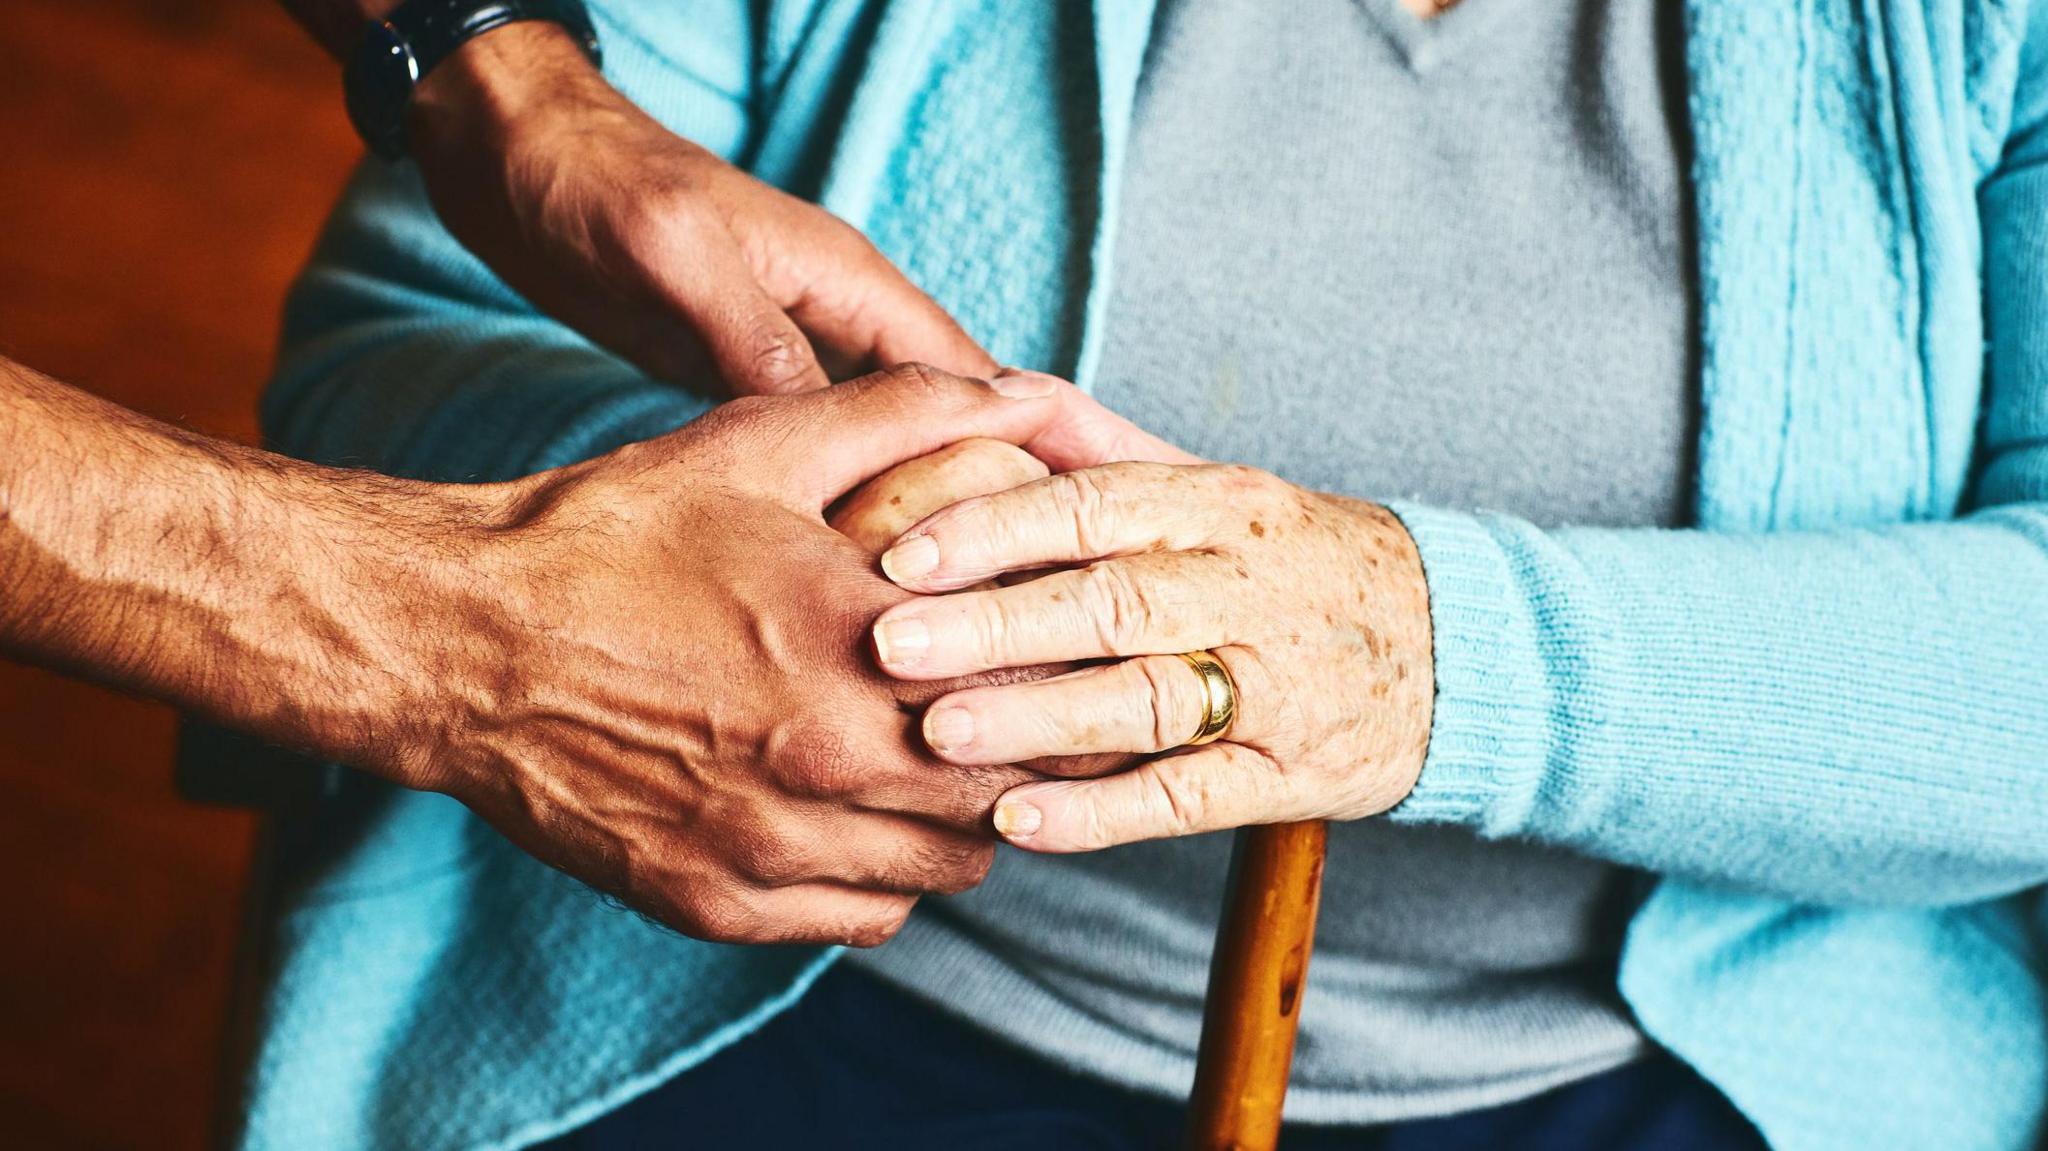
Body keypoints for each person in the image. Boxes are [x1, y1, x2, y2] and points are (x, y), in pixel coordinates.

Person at [230, 1, 2048, 1151]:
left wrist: (1432, 659)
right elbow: (372, 378)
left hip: (1671, 1085)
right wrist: (788, 531)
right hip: (787, 1007)